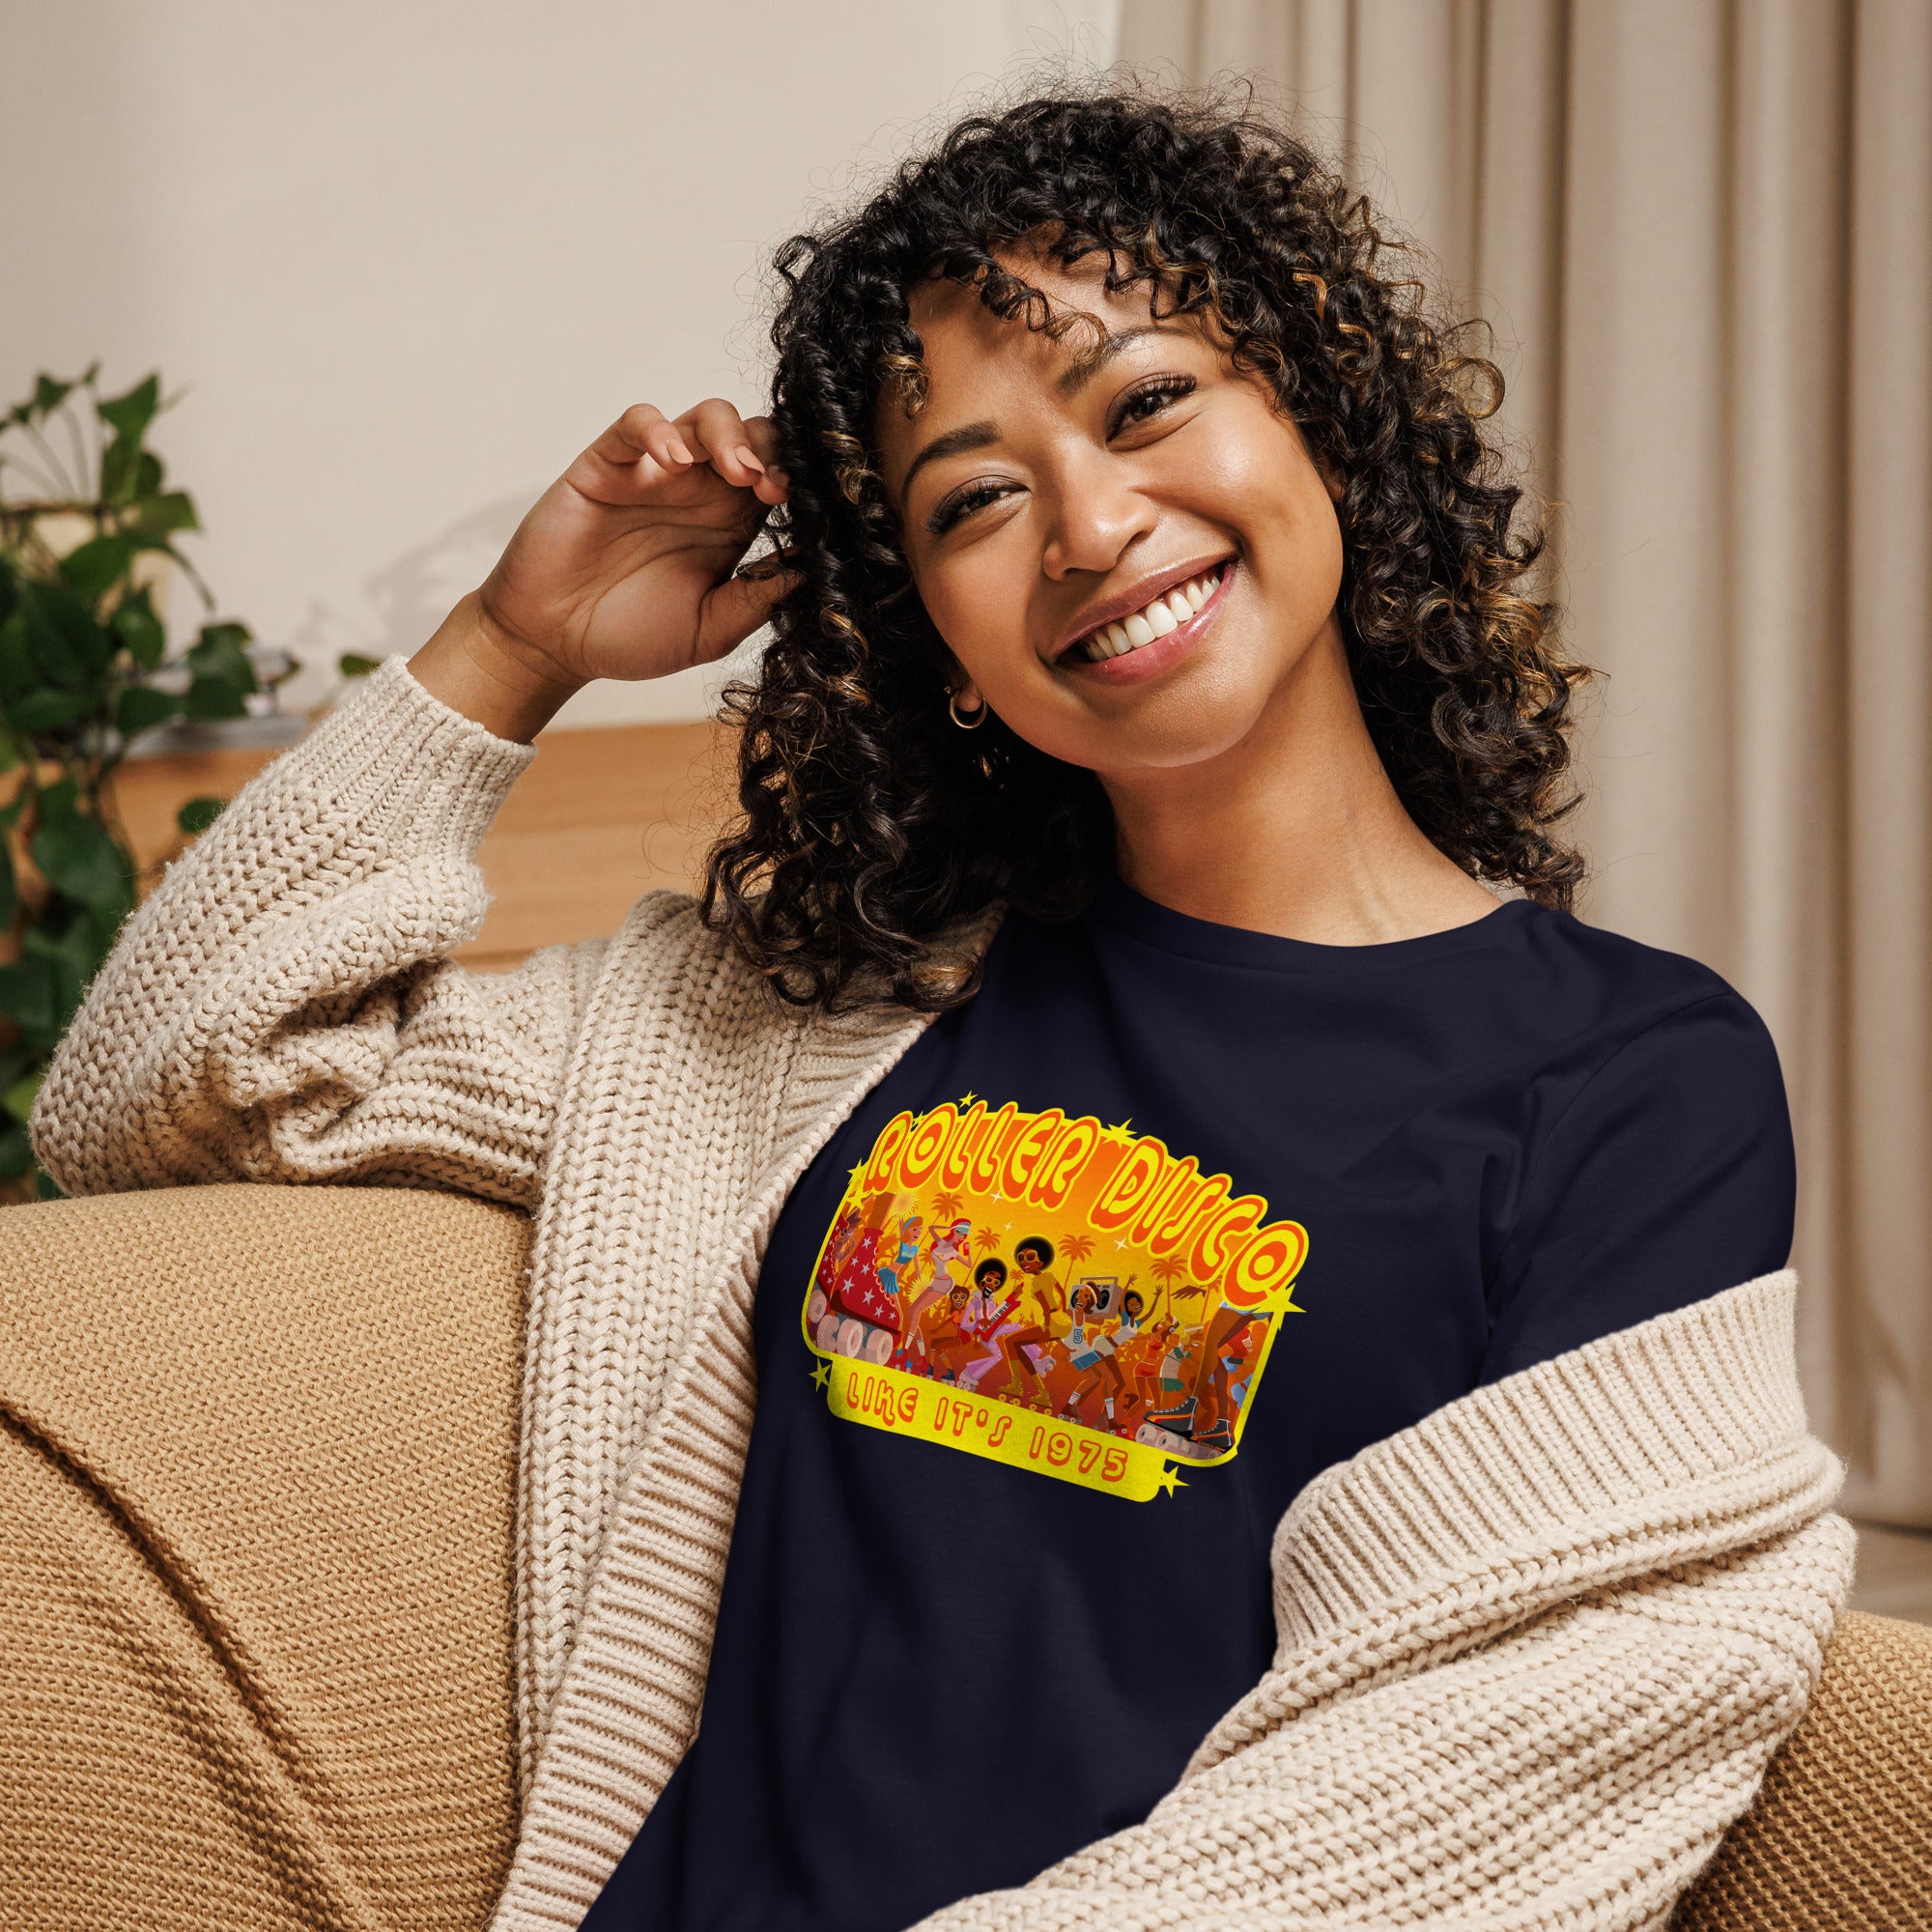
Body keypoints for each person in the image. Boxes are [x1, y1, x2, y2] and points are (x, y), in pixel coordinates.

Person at [27, 87, 1848, 1932]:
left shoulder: (1629, 1075)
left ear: (1321, 424)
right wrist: (512, 648)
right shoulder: (802, 1026)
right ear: (939, 640)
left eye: (1146, 404)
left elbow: (1509, 1747)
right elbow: (174, 1091)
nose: (1086, 522)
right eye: (975, 496)